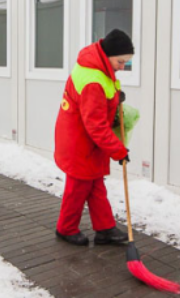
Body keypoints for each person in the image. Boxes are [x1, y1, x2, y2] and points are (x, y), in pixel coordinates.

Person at [54, 29, 134, 246]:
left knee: (96, 184)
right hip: (79, 143)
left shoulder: (95, 66)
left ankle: (105, 228)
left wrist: (114, 98)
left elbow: (97, 102)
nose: (122, 66)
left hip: (84, 140)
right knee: (78, 188)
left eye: (126, 62)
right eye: (120, 61)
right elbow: (96, 125)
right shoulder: (93, 81)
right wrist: (119, 150)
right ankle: (66, 228)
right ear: (108, 55)